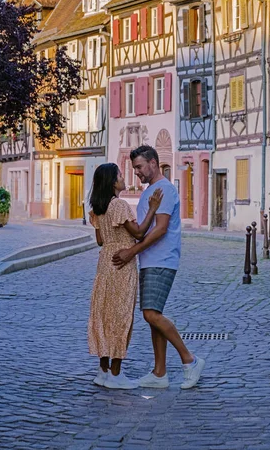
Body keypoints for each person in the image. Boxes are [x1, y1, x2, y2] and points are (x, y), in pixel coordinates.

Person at [112, 146, 205, 389]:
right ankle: (159, 372)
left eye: (140, 167)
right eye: (134, 169)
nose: (137, 173)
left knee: (151, 314)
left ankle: (190, 360)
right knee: (153, 314)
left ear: (153, 163)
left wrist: (131, 251)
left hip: (161, 259)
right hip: (150, 259)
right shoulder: (151, 192)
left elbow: (161, 228)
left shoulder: (164, 189)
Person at [88, 163, 163, 390]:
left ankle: (102, 371)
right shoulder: (119, 205)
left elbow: (100, 240)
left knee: (103, 313)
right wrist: (153, 208)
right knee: (120, 315)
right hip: (122, 262)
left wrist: (113, 238)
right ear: (113, 181)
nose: (123, 177)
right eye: (120, 174)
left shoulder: (97, 208)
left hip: (105, 261)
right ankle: (116, 374)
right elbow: (139, 232)